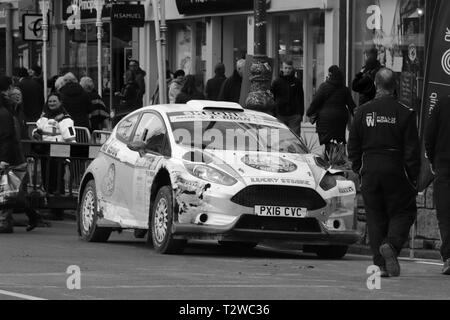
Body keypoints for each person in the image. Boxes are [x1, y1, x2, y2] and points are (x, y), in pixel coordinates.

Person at [348, 68, 420, 278]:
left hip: (370, 169)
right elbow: (412, 151)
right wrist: (412, 176)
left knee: (375, 216)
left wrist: (358, 169)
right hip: (396, 169)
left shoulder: (362, 112)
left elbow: (353, 146)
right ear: (395, 86)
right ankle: (391, 244)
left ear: (376, 85)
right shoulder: (405, 113)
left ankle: (380, 265)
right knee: (404, 211)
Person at [0, 76, 46, 232]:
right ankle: (31, 216)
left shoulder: (6, 111)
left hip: (10, 157)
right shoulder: (9, 110)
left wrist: (4, 159)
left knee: (9, 193)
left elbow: (7, 137)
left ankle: (7, 222)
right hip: (12, 156)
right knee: (11, 193)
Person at [34, 93, 76, 221]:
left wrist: (70, 153)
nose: (51, 103)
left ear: (60, 102)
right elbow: (37, 127)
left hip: (59, 153)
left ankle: (58, 211)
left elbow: (69, 136)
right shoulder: (45, 116)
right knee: (47, 180)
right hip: (45, 152)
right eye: (50, 101)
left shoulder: (65, 118)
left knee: (57, 181)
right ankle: (51, 207)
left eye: (54, 101)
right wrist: (36, 133)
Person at [425, 95, 450, 275]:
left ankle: (449, 257)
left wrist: (433, 159)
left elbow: (430, 133)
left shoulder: (442, 103)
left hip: (445, 165)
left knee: (446, 213)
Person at [307, 65, 356, 155]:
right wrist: (358, 118)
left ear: (330, 75)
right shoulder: (344, 89)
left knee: (328, 144)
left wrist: (309, 113)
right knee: (339, 141)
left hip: (325, 120)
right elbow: (352, 105)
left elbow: (316, 102)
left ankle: (330, 162)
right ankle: (338, 161)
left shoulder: (324, 87)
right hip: (340, 119)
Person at [271, 60, 304, 135]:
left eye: (289, 68)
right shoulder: (277, 82)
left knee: (294, 138)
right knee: (281, 137)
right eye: (285, 68)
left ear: (292, 69)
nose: (287, 70)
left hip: (294, 114)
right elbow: (272, 97)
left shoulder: (297, 82)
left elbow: (300, 97)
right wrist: (274, 112)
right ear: (282, 68)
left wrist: (300, 113)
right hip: (280, 114)